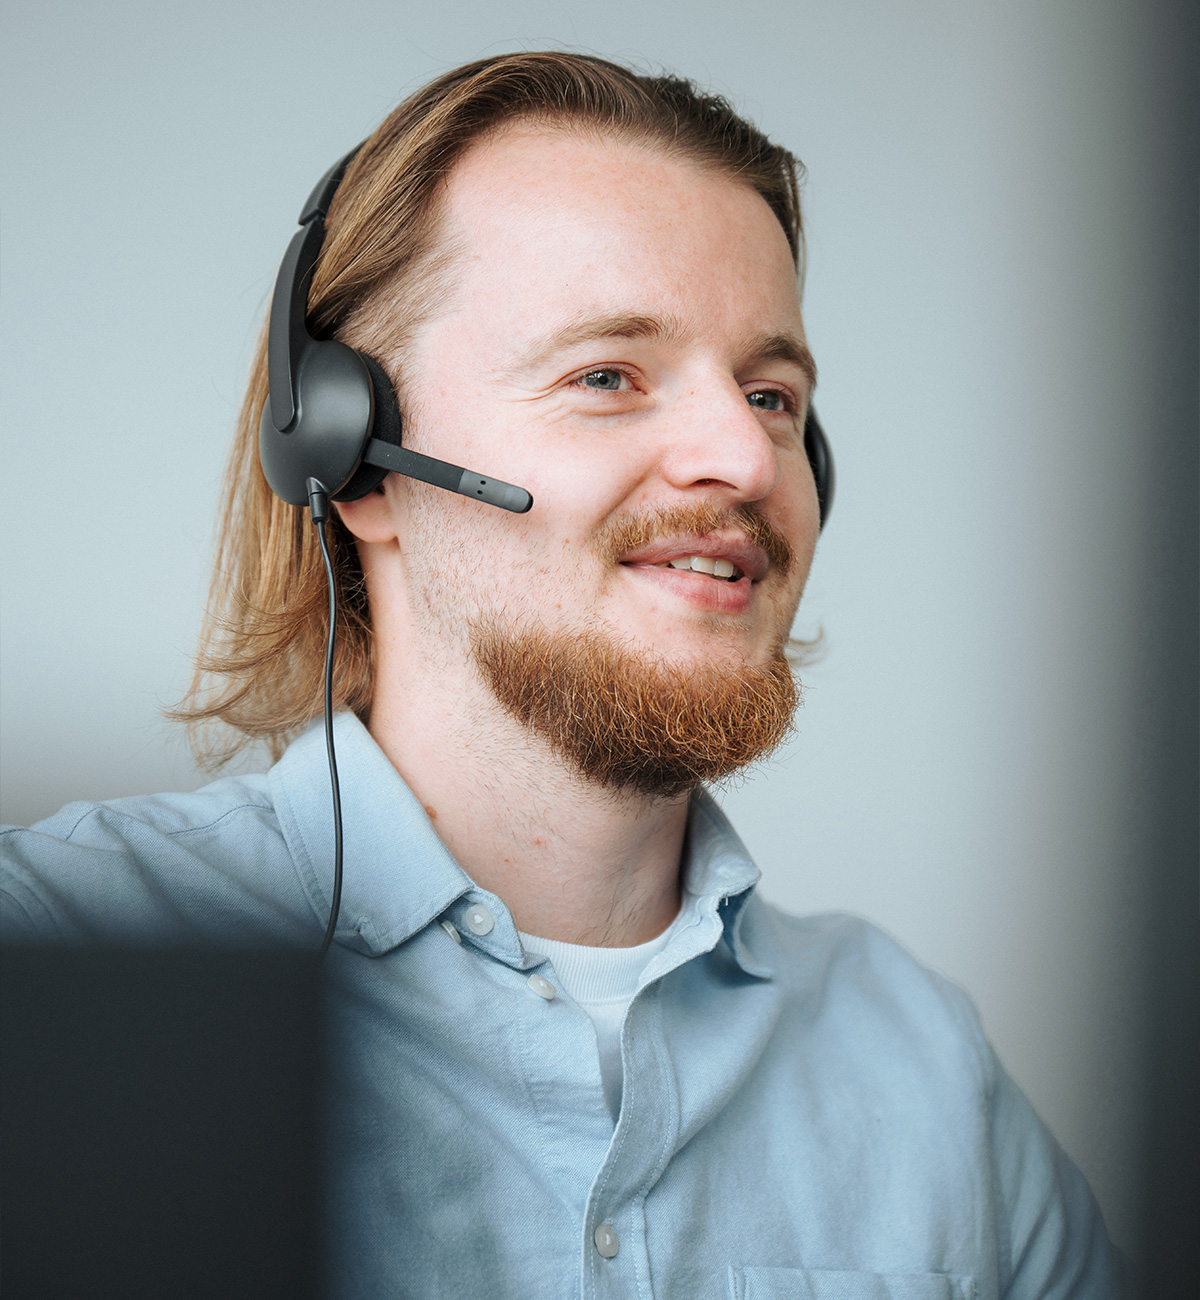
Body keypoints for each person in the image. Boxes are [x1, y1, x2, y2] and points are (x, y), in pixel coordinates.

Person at [1, 52, 1120, 1298]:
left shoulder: (922, 1070)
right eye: (607, 376)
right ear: (355, 454)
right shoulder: (52, 960)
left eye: (772, 392)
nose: (745, 459)